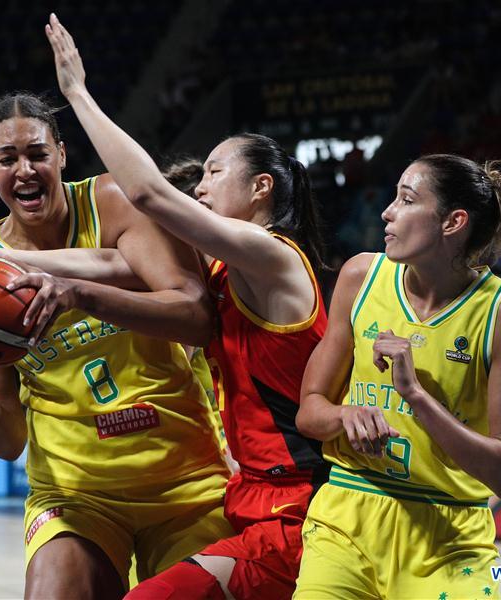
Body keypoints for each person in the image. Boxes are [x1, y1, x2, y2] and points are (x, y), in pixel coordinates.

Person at [44, 15, 329, 599]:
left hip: (299, 506)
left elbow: (147, 193)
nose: (199, 186)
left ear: (261, 189)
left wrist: (77, 94)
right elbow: (109, 264)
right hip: (255, 494)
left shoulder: (273, 256)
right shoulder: (224, 267)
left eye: (213, 173)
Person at [0, 87, 231, 598]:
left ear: (61, 154)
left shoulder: (111, 202)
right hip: (75, 491)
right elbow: (6, 441)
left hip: (185, 479)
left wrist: (80, 296)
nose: (25, 169)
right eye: (8, 158)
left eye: (38, 153)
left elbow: (197, 318)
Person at [294, 153, 501, 598]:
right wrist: (345, 415)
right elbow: (309, 410)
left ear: (453, 222)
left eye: (407, 200)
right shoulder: (360, 276)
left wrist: (417, 398)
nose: (387, 211)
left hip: (449, 537)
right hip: (347, 517)